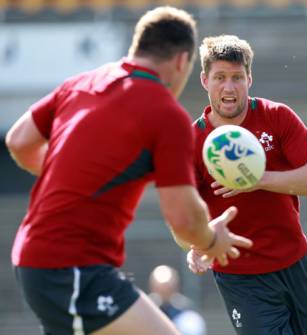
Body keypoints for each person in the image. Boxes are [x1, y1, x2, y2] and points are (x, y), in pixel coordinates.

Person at [5, 7, 253, 335]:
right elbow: (182, 217)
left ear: (137, 48)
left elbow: (19, 141)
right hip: (71, 266)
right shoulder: (165, 114)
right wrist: (211, 241)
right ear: (181, 61)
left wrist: (71, 173)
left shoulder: (82, 82)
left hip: (39, 257)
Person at [187, 34, 307, 335]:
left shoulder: (276, 116)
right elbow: (181, 212)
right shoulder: (191, 142)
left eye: (237, 77)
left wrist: (257, 180)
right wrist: (197, 242)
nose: (229, 87)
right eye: (220, 77)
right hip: (242, 280)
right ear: (204, 80)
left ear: (249, 78)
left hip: (296, 264)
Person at [149, 265, 207, 335]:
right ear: (153, 287)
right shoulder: (145, 310)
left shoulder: (188, 315)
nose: (164, 291)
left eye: (168, 287)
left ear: (175, 287)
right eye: (160, 288)